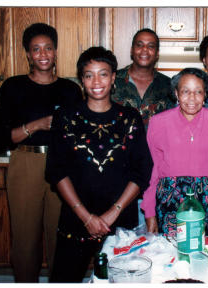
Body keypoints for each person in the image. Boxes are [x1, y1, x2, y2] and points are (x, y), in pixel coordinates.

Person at [45, 46, 153, 282]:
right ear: (81, 80)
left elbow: (141, 171)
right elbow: (56, 171)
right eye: (89, 74)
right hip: (75, 219)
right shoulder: (65, 117)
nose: (96, 81)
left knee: (121, 281)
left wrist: (112, 214)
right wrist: (86, 217)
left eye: (103, 74)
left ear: (113, 77)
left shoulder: (130, 118)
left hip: (120, 221)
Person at [0, 23, 82, 282]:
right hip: (26, 163)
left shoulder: (70, 90)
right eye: (36, 49)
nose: (43, 54)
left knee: (61, 234)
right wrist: (38, 125)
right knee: (24, 238)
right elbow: (3, 138)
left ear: (56, 52)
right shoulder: (13, 87)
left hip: (62, 165)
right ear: (28, 54)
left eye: (48, 48)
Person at [141, 68, 208, 237]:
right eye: (185, 91)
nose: (192, 98)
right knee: (172, 257)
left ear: (205, 95)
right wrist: (149, 211)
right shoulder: (158, 123)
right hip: (169, 199)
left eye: (198, 92)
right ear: (176, 94)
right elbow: (153, 170)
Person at [111, 28, 176, 129]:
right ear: (132, 50)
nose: (144, 50)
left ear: (157, 53)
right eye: (139, 45)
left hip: (156, 144)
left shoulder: (168, 85)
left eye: (151, 46)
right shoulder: (112, 80)